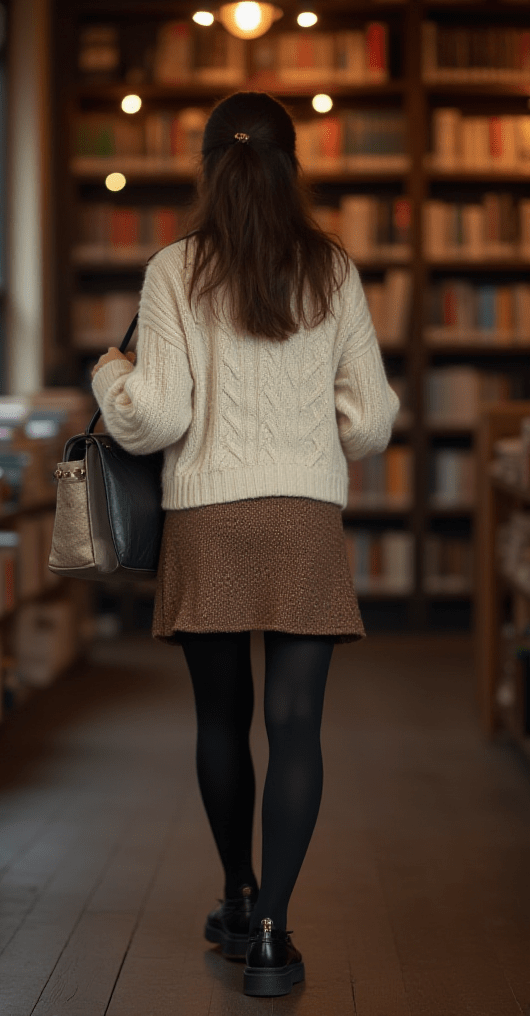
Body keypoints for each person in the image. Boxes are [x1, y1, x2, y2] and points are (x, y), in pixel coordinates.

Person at [90, 91, 400, 998]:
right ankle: (272, 935)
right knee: (297, 726)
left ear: (206, 167)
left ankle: (234, 895)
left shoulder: (173, 269)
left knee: (221, 720)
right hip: (305, 517)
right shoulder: (332, 271)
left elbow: (158, 420)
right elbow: (375, 419)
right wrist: (313, 430)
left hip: (208, 520)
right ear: (290, 164)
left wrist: (110, 372)